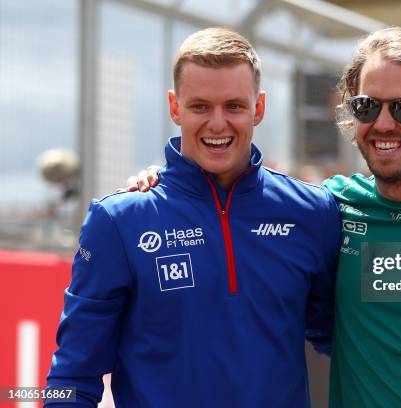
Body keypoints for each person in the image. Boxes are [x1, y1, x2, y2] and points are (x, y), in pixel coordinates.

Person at [127, 28, 401, 407]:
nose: (383, 123)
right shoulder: (328, 208)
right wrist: (168, 185)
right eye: (366, 106)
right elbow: (242, 199)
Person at [46, 28, 341, 407]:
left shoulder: (312, 212)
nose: (217, 124)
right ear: (175, 107)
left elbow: (348, 344)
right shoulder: (119, 221)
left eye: (234, 106)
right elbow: (72, 375)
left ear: (259, 107)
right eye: (200, 106)